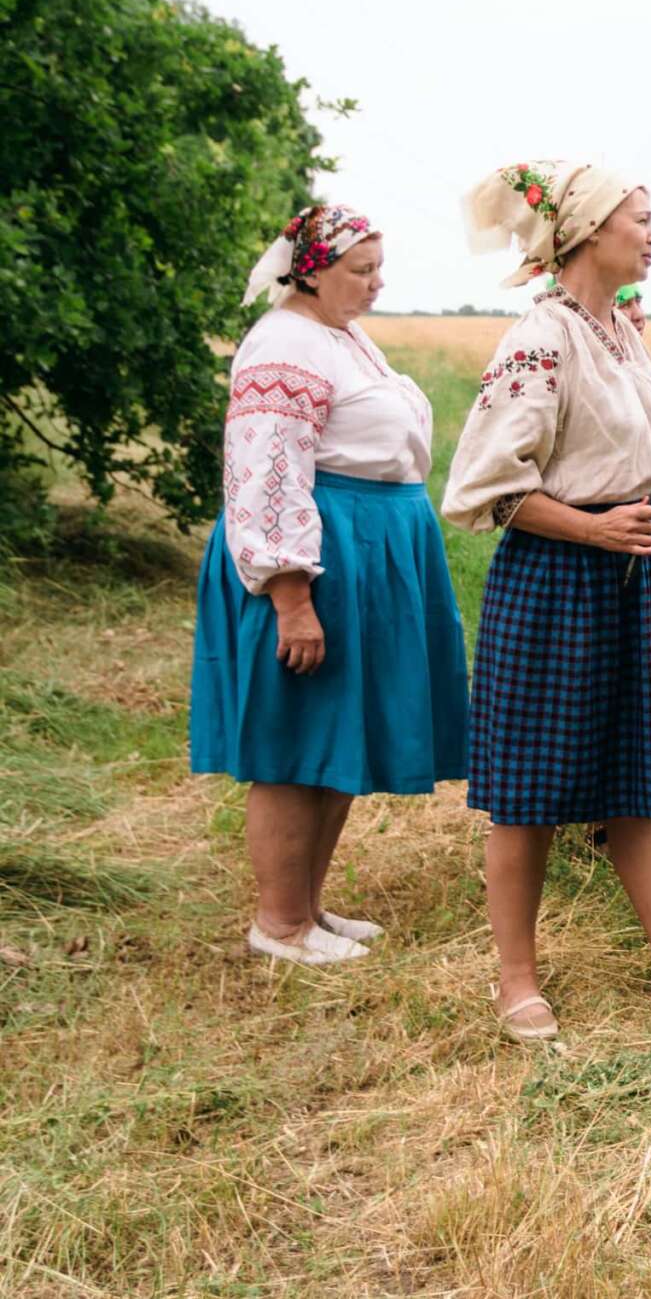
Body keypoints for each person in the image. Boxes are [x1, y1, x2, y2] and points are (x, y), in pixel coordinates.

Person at [443, 162, 651, 1042]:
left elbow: (605, 449)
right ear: (584, 233)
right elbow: (490, 488)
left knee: (636, 778)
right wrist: (594, 531)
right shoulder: (540, 337)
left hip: (633, 569)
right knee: (530, 791)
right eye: (641, 220)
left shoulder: (618, 329)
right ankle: (515, 980)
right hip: (558, 578)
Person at [189, 205, 470, 966]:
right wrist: (290, 595)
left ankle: (306, 905)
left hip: (365, 553)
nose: (377, 284)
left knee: (335, 731)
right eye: (361, 270)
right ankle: (277, 922)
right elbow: (265, 473)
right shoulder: (283, 342)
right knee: (294, 736)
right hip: (316, 560)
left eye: (380, 268)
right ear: (310, 267)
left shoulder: (339, 334)